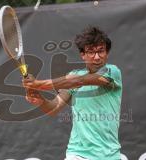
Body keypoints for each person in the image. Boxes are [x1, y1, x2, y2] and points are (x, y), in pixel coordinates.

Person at [22, 26, 122, 160]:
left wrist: (38, 84)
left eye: (101, 51)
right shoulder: (74, 75)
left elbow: (79, 81)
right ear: (83, 55)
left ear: (107, 53)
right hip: (77, 153)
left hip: (109, 154)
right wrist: (40, 100)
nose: (97, 57)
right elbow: (54, 108)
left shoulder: (113, 71)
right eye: (91, 52)